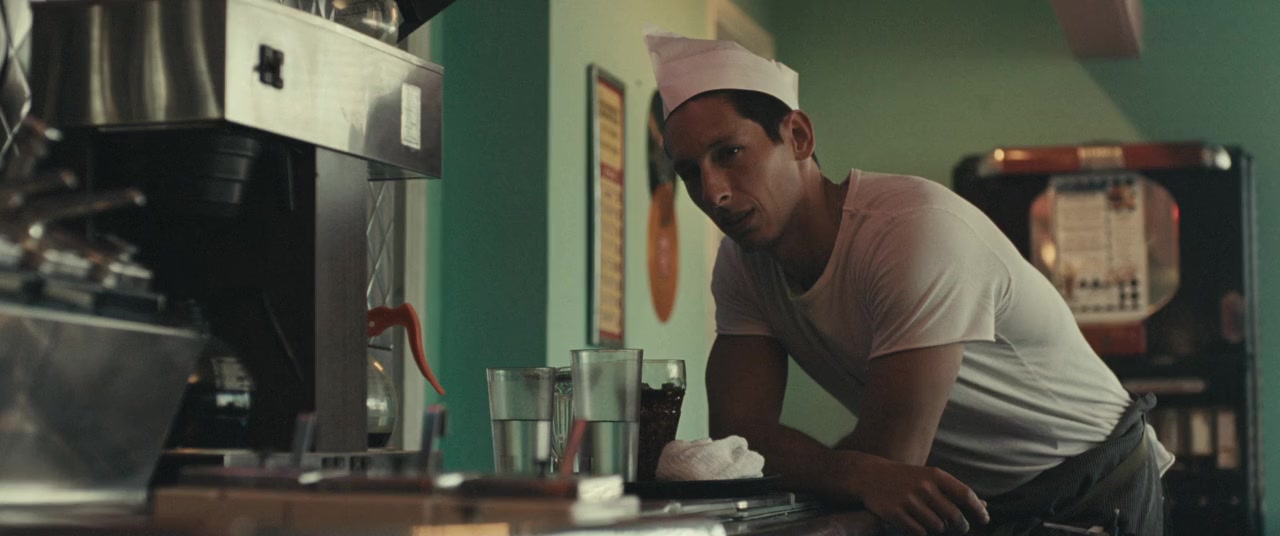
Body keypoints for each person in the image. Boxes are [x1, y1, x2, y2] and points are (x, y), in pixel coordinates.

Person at [644, 28, 1172, 536]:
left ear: (798, 136)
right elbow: (739, 439)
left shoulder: (912, 230)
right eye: (690, 171)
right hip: (971, 498)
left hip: (1091, 482)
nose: (712, 192)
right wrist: (861, 473)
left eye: (729, 153)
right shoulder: (743, 264)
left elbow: (892, 457)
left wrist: (860, 473)